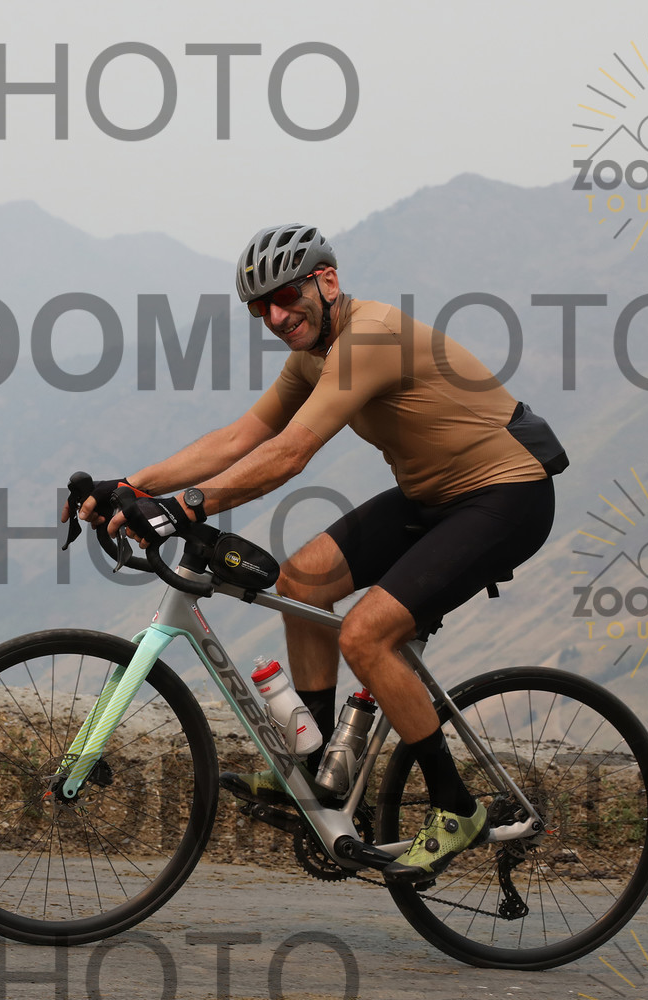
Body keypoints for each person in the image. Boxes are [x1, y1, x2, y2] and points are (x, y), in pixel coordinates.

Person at [63, 223, 563, 882]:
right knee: (303, 578)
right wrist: (133, 485)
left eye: (285, 296)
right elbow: (240, 436)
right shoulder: (312, 356)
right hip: (432, 496)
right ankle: (315, 765)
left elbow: (291, 453)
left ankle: (455, 807)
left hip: (507, 495)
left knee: (366, 635)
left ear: (326, 281)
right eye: (260, 308)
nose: (275, 316)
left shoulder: (370, 338)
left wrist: (184, 507)